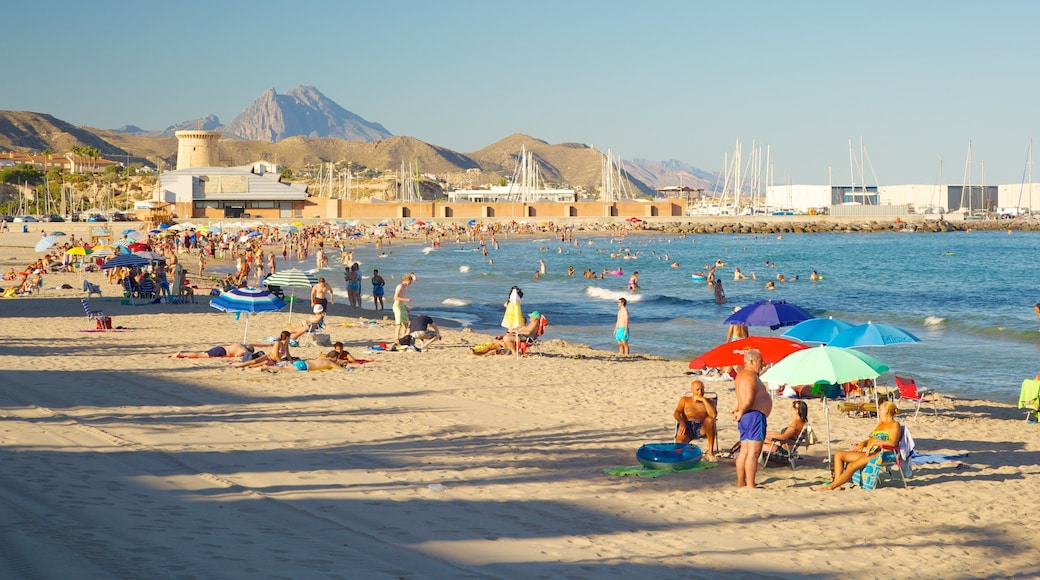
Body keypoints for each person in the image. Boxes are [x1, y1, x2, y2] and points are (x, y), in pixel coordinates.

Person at [814, 401, 902, 491]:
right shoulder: (880, 423)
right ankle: (837, 484)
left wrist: (875, 443)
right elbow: (872, 439)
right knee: (838, 454)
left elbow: (893, 443)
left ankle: (830, 487)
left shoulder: (895, 425)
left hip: (882, 454)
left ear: (886, 411)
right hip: (871, 452)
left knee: (851, 466)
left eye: (880, 409)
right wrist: (864, 443)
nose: (878, 411)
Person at [732, 348, 772, 488]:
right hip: (753, 416)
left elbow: (739, 396)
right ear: (751, 361)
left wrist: (737, 409)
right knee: (753, 453)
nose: (763, 363)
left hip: (746, 416)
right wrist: (741, 411)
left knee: (744, 451)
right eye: (760, 361)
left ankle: (741, 482)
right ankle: (750, 484)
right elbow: (748, 398)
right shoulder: (750, 376)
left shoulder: (741, 375)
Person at [673, 379, 718, 461]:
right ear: (692, 390)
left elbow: (713, 415)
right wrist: (682, 422)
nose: (700, 392)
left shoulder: (710, 401)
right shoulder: (685, 400)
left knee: (710, 420)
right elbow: (676, 412)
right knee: (679, 448)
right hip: (687, 426)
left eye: (702, 389)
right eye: (697, 390)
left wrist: (704, 400)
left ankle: (710, 452)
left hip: (702, 427)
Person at [392, 274, 414, 339]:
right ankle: (397, 338)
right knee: (398, 324)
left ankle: (403, 338)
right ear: (407, 280)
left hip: (401, 305)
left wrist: (405, 307)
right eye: (410, 281)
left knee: (406, 323)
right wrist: (406, 299)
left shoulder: (404, 287)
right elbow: (395, 297)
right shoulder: (400, 286)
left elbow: (401, 298)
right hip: (397, 306)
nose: (410, 283)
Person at [265, 356, 346, 373]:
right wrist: (342, 365)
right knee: (284, 369)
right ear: (334, 358)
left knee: (282, 367)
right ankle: (266, 367)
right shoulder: (330, 362)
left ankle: (268, 368)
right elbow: (341, 369)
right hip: (304, 366)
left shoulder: (323, 357)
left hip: (302, 362)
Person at [173, 344, 254, 359]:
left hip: (220, 347)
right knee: (200, 355)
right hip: (222, 351)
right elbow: (237, 355)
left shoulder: (239, 345)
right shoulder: (244, 351)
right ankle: (181, 354)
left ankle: (182, 354)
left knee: (202, 353)